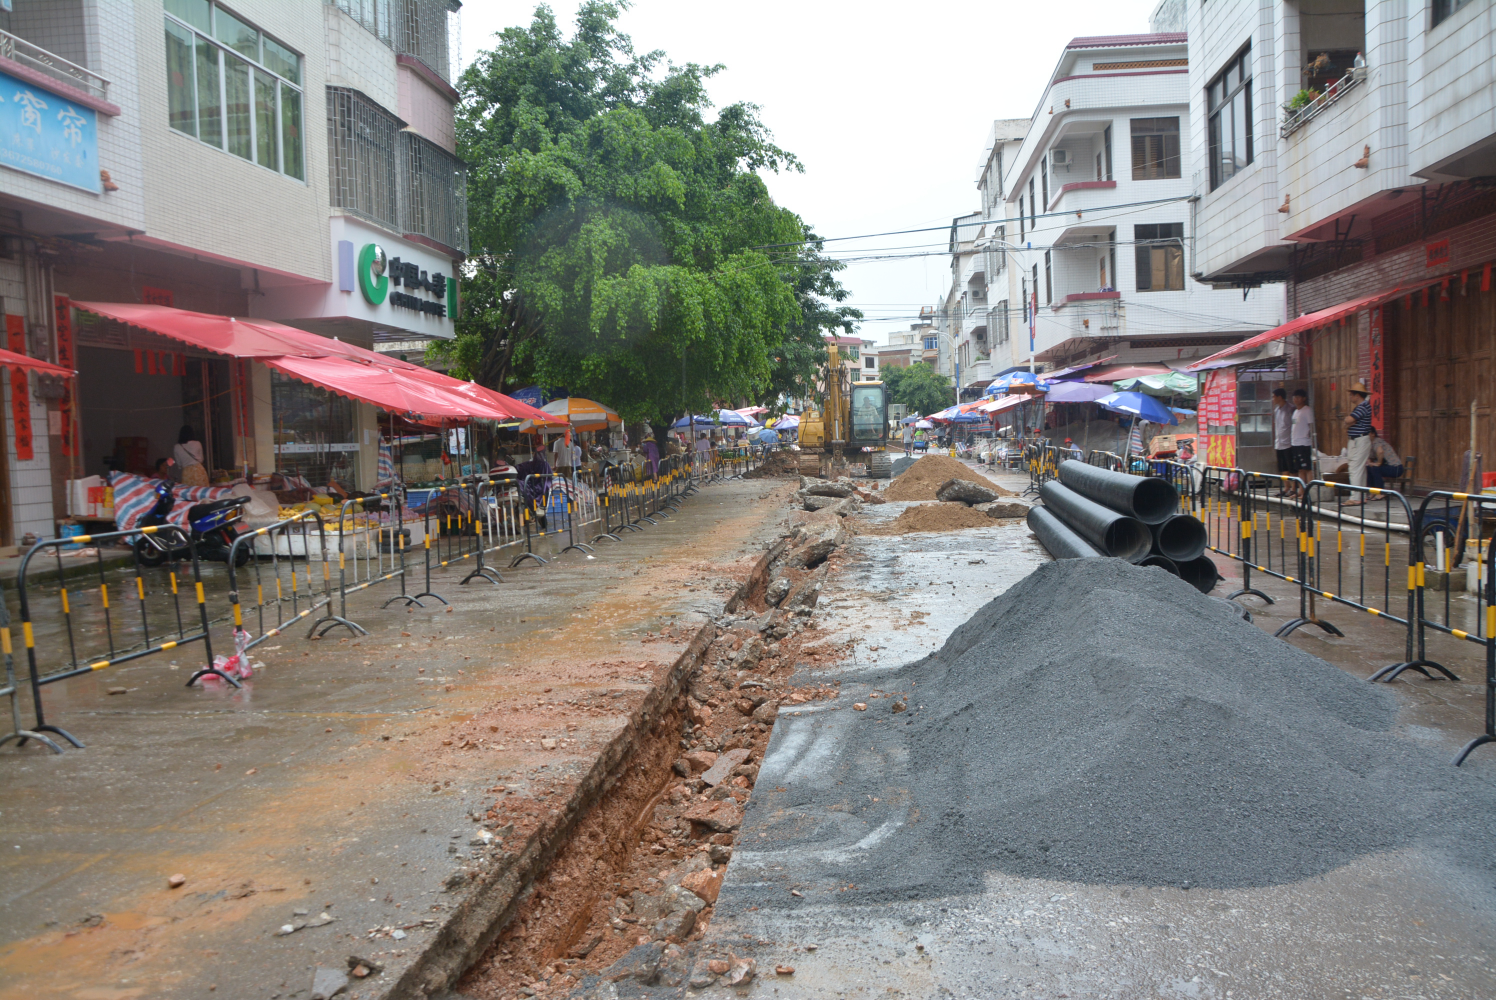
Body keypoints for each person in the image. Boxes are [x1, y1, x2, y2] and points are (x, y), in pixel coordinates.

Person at [1342, 381, 1373, 502]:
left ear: (1357, 395)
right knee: (1360, 469)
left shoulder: (1363, 406)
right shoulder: (1361, 407)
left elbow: (1348, 420)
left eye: (1351, 395)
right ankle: (1361, 496)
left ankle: (1355, 497)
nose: (1350, 397)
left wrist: (1348, 421)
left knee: (1355, 468)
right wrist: (1349, 422)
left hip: (1360, 440)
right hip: (1357, 440)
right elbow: (1349, 422)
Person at [1288, 388, 1314, 498]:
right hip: (1295, 443)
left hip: (1304, 443)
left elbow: (1311, 426)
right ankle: (1301, 491)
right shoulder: (1295, 411)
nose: (1296, 400)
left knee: (1307, 468)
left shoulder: (1307, 410)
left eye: (1298, 397)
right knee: (1300, 469)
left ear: (1304, 398)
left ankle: (1309, 492)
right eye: (1294, 397)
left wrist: (1310, 438)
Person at [1271, 387, 1293, 493]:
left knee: (1291, 467)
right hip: (1279, 443)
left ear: (1280, 397)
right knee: (1283, 467)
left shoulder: (1290, 409)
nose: (1273, 399)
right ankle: (1286, 487)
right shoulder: (1276, 410)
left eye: (1274, 397)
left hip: (1289, 443)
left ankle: (1294, 488)